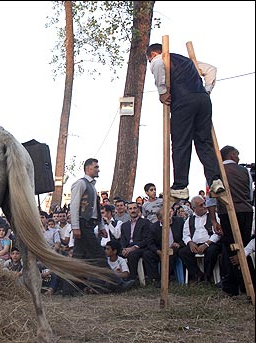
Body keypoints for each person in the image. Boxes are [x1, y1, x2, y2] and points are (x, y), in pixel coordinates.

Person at [146, 43, 225, 200]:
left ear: (153, 54)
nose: (150, 62)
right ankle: (215, 180)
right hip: (202, 100)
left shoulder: (160, 59)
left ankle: (181, 186)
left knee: (181, 142)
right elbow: (211, 70)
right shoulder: (188, 61)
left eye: (149, 59)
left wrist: (162, 92)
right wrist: (207, 90)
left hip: (183, 101)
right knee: (204, 142)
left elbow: (158, 65)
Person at [70, 158, 135, 293]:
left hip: (89, 224)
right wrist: (75, 226)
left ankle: (69, 289)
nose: (98, 169)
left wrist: (101, 227)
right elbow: (74, 206)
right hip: (83, 224)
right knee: (99, 255)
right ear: (88, 168)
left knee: (77, 257)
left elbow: (96, 210)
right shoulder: (80, 184)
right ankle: (117, 284)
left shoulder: (92, 186)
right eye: (96, 167)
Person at [207, 146, 255, 296]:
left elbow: (211, 199)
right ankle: (246, 285)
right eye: (238, 155)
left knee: (232, 250)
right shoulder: (245, 171)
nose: (239, 158)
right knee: (242, 247)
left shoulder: (215, 172)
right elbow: (250, 195)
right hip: (246, 212)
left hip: (227, 213)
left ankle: (233, 287)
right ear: (233, 155)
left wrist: (214, 220)